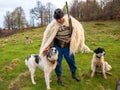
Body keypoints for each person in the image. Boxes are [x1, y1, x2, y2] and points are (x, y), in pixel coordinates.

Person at [40, 8, 91, 86]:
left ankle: (73, 74)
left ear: (63, 16)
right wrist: (48, 46)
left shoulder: (71, 22)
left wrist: (72, 39)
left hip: (67, 47)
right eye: (57, 19)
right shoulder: (53, 26)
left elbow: (77, 34)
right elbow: (50, 37)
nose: (58, 20)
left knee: (71, 61)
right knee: (57, 63)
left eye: (60, 18)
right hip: (58, 47)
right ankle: (59, 79)